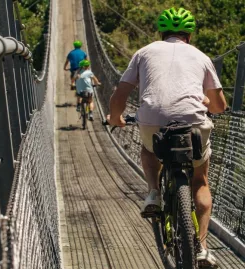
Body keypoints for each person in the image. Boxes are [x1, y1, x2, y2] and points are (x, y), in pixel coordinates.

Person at [106, 7, 227, 267]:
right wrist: (205, 101)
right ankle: (203, 248)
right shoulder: (201, 56)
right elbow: (219, 107)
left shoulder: (144, 52)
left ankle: (153, 193)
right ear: (189, 35)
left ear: (161, 33)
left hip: (152, 122)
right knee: (200, 181)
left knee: (149, 150)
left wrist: (115, 117)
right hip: (194, 124)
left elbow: (120, 94)